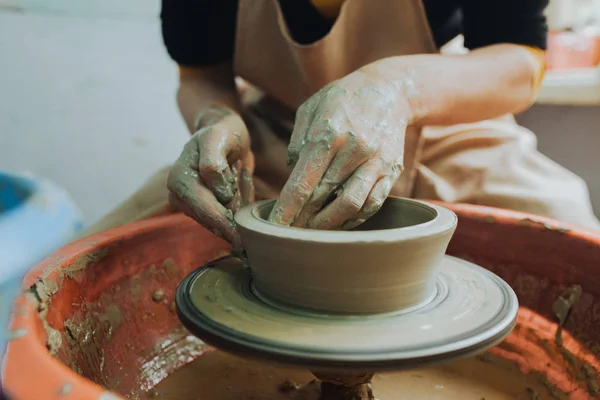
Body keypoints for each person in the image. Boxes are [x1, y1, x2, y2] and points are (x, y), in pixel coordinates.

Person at [82, 0, 600, 242]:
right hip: (278, 137)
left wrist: (397, 90)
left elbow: (519, 62)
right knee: (105, 255)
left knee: (568, 233)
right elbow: (200, 73)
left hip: (442, 116)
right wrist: (218, 118)